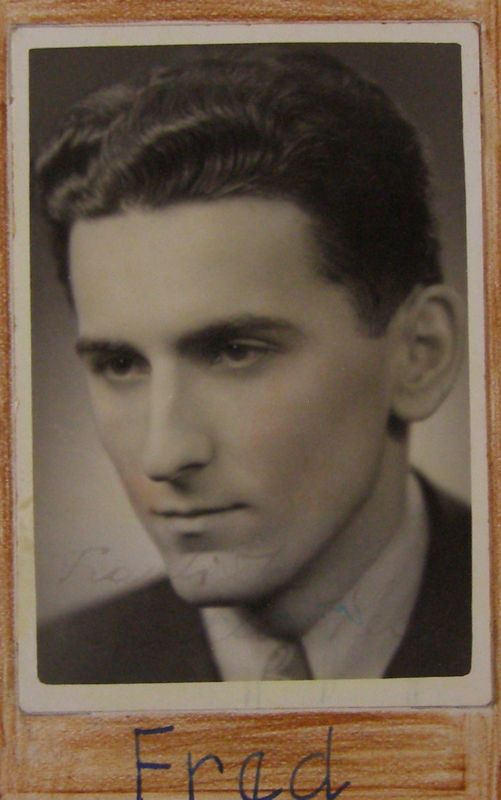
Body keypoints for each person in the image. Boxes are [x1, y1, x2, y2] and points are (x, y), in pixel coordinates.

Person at [35, 45, 471, 684]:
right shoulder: (58, 673)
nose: (164, 455)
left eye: (235, 352)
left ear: (420, 355)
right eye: (121, 364)